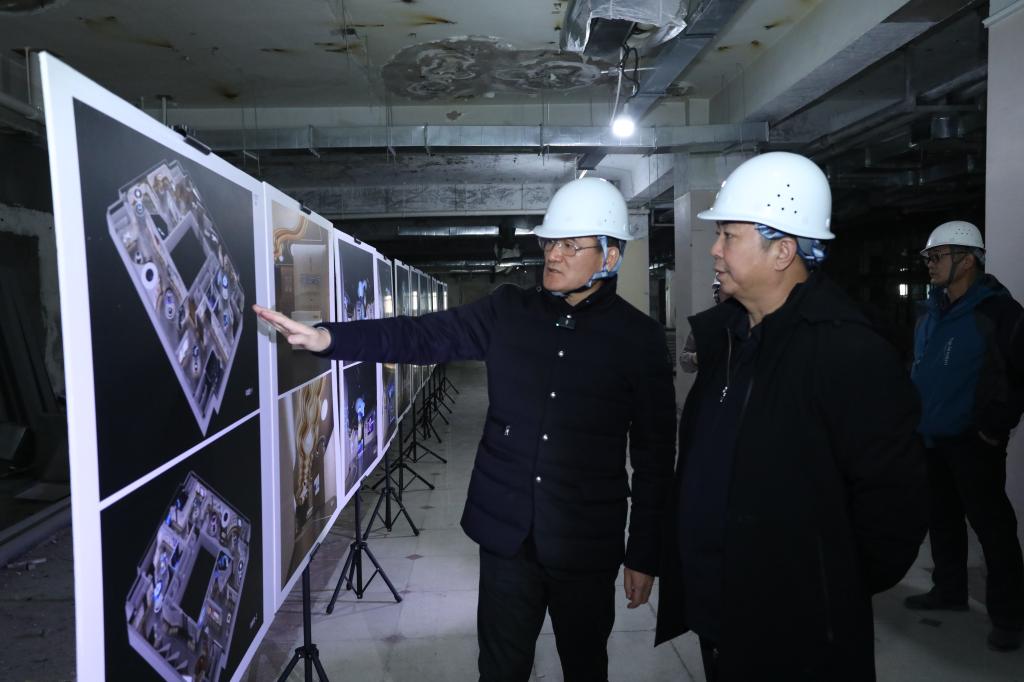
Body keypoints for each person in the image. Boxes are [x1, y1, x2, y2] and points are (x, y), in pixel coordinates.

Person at [255, 177, 676, 682]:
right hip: (506, 539)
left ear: (609, 257)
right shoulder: (508, 311)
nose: (553, 254)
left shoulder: (639, 340)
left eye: (570, 245)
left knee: (585, 667)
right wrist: (328, 338)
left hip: (585, 542)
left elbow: (655, 458)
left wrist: (644, 553)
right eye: (550, 242)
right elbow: (420, 335)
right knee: (500, 670)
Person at [654, 152, 927, 681]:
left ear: (782, 250)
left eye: (729, 236)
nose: (714, 249)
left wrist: (824, 586)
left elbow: (893, 512)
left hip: (799, 635)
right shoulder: (728, 339)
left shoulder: (848, 352)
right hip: (719, 615)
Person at [904, 220, 1024, 652]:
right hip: (932, 437)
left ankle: (1009, 617)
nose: (930, 264)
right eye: (928, 257)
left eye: (938, 256)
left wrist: (993, 426)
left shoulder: (999, 313)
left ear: (968, 260)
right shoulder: (929, 311)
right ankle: (949, 589)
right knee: (942, 519)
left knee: (993, 528)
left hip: (974, 442)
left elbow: (1019, 377)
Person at [679, 277, 725, 374]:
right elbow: (684, 361)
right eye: (722, 291)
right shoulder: (705, 322)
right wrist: (696, 357)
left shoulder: (751, 319)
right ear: (716, 295)